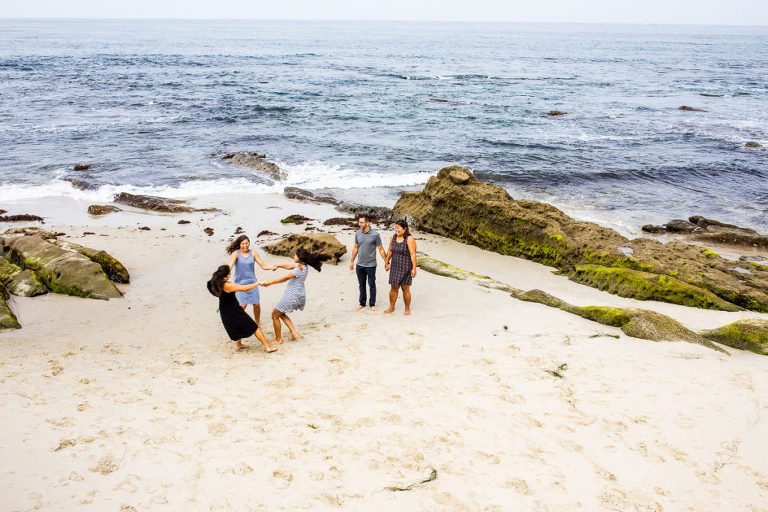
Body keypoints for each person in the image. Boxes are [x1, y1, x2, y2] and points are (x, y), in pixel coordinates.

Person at [261, 248, 330, 345]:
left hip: (291, 296)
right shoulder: (303, 266)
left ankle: (278, 339)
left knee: (275, 315)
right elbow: (289, 266)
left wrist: (270, 283)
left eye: (295, 255)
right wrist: (279, 265)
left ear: (300, 258)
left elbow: (285, 278)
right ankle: (294, 333)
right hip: (298, 294)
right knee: (281, 313)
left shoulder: (299, 269)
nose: (294, 256)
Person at [207, 265, 275, 352]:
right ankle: (267, 347)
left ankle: (238, 345)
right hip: (234, 310)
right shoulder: (227, 285)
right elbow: (245, 288)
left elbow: (211, 288)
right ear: (227, 275)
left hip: (224, 310)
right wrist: (258, 283)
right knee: (254, 327)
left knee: (236, 327)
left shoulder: (213, 283)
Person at [226, 234, 276, 327]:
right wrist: (224, 275)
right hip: (240, 284)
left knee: (256, 305)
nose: (245, 245)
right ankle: (236, 323)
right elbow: (230, 266)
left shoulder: (253, 253)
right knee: (243, 306)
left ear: (249, 243)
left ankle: (257, 323)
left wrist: (271, 267)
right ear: (239, 244)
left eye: (247, 243)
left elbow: (263, 265)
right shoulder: (236, 253)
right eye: (243, 244)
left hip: (253, 283)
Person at [348, 214, 387, 311]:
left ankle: (372, 304)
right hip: (360, 264)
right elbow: (356, 247)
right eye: (359, 222)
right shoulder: (357, 233)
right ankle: (362, 303)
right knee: (361, 285)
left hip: (371, 265)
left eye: (361, 222)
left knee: (372, 285)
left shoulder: (375, 235)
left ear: (368, 223)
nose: (359, 224)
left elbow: (381, 249)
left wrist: (386, 261)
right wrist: (352, 261)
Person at [384, 219, 417, 315]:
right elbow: (390, 251)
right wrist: (386, 262)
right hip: (395, 266)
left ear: (404, 228)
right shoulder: (393, 238)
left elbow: (413, 254)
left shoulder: (409, 239)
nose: (396, 230)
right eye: (395, 228)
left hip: (406, 267)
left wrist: (414, 268)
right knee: (393, 287)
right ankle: (391, 307)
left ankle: (407, 308)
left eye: (398, 228)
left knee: (405, 288)